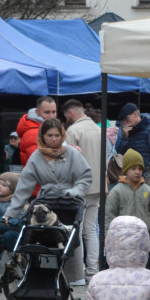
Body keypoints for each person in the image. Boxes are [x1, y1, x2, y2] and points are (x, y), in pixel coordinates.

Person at [5, 118, 93, 285]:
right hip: (46, 202)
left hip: (69, 202)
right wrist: (12, 211)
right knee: (43, 236)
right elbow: (24, 186)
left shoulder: (72, 153)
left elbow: (85, 177)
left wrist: (74, 192)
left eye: (57, 135)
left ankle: (73, 278)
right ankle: (42, 278)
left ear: (63, 136)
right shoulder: (36, 157)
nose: (54, 139)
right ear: (42, 136)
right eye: (49, 135)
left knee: (71, 235)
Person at [64, 98, 111, 281]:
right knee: (90, 229)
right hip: (98, 185)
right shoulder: (100, 130)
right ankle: (93, 270)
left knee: (79, 228)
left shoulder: (73, 131)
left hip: (80, 187)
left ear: (71, 114)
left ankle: (79, 273)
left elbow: (68, 162)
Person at [105, 149, 150, 243]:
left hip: (145, 238)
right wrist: (109, 236)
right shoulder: (117, 191)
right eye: (133, 169)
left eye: (140, 168)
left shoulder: (147, 191)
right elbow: (110, 215)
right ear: (125, 170)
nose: (137, 172)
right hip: (122, 239)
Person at [115, 102, 150, 171]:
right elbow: (119, 156)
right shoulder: (126, 132)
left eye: (126, 118)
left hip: (146, 176)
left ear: (135, 114)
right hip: (129, 176)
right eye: (123, 120)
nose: (124, 122)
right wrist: (125, 138)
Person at [17, 96, 57, 166]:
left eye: (54, 112)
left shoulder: (44, 129)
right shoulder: (34, 133)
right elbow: (39, 161)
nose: (51, 116)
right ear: (37, 112)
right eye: (47, 112)